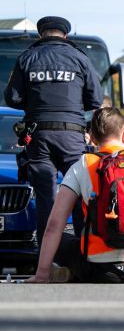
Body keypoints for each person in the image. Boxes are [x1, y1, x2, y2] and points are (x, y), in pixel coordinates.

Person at [27, 108, 124, 283]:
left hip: (100, 269)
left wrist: (41, 274)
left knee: (61, 238)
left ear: (93, 138)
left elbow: (54, 225)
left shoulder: (84, 164)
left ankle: (66, 274)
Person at [3, 16, 103, 246]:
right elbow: (95, 99)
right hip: (72, 136)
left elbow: (13, 97)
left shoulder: (27, 57)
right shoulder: (80, 58)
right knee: (78, 194)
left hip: (38, 137)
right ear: (65, 35)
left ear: (41, 35)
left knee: (46, 199)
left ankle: (46, 261)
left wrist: (35, 103)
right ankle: (82, 254)